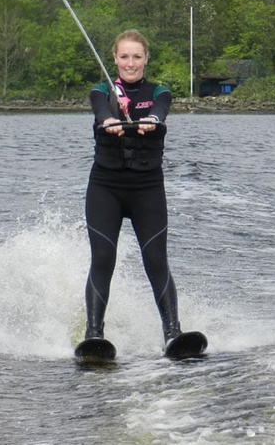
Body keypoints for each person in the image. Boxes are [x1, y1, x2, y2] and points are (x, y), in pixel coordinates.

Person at [83, 29, 182, 346]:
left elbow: (161, 110)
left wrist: (152, 119)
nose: (130, 63)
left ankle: (173, 333)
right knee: (103, 259)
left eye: (136, 56)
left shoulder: (160, 92)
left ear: (146, 59)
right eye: (124, 56)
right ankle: (94, 334)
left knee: (155, 258)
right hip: (106, 187)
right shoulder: (102, 90)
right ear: (114, 58)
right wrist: (108, 121)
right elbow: (99, 109)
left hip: (146, 187)